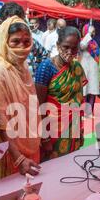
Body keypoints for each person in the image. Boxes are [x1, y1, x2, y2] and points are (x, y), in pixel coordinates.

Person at [0, 16, 41, 180]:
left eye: (26, 41)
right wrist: (19, 158)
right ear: (3, 41)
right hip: (10, 152)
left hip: (29, 142)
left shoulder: (23, 67)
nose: (22, 47)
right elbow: (1, 120)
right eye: (15, 41)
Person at [35, 26, 85, 161]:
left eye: (74, 48)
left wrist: (80, 128)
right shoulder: (46, 67)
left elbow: (79, 100)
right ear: (57, 45)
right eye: (65, 47)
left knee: (72, 164)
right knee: (52, 168)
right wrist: (44, 137)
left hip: (73, 126)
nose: (70, 52)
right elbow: (40, 106)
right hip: (52, 130)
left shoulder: (77, 67)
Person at [0, 2, 49, 79]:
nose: (16, 28)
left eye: (19, 23)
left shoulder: (29, 43)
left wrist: (38, 76)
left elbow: (44, 54)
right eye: (10, 24)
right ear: (0, 23)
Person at [80, 24, 100, 118]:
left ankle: (90, 112)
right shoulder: (82, 41)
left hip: (93, 69)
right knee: (84, 91)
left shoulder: (95, 43)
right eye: (91, 31)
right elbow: (82, 46)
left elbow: (98, 55)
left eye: (94, 31)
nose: (93, 33)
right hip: (84, 68)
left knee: (92, 91)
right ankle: (82, 113)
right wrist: (88, 36)